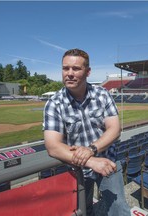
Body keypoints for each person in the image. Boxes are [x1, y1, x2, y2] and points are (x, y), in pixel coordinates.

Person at [43, 48, 131, 216]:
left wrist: (92, 150)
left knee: (119, 209)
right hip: (77, 169)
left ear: (88, 72)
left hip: (108, 161)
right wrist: (90, 161)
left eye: (76, 69)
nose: (69, 73)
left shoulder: (102, 94)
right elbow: (52, 146)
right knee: (84, 211)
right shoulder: (54, 103)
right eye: (65, 68)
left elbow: (115, 129)